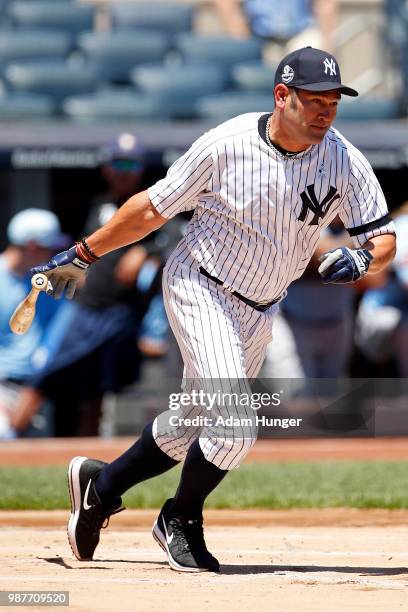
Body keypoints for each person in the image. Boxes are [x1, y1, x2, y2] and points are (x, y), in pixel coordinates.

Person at [31, 47, 396, 573]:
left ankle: (101, 484)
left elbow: (383, 239)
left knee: (192, 424)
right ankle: (178, 518)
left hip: (261, 306)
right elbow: (153, 208)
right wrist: (85, 252)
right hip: (200, 284)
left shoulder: (343, 158)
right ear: (281, 96)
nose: (325, 112)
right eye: (314, 100)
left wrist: (363, 257)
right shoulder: (226, 144)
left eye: (333, 102)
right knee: (236, 425)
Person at [9, 133, 167, 436]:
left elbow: (175, 236)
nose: (123, 171)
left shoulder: (152, 204)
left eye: (130, 164)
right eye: (117, 163)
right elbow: (86, 246)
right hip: (86, 308)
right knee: (48, 373)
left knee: (99, 388)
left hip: (122, 313)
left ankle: (86, 455)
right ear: (106, 168)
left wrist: (148, 251)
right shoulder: (99, 206)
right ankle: (12, 437)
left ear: (140, 169)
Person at [0, 208, 71, 438]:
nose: (55, 253)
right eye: (50, 247)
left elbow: (57, 341)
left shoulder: (51, 282)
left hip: (39, 391)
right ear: (32, 245)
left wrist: (35, 393)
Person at [214, 0, 338, 57]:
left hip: (301, 32)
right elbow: (224, 3)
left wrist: (329, 43)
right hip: (260, 36)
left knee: (309, 58)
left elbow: (326, 5)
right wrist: (242, 37)